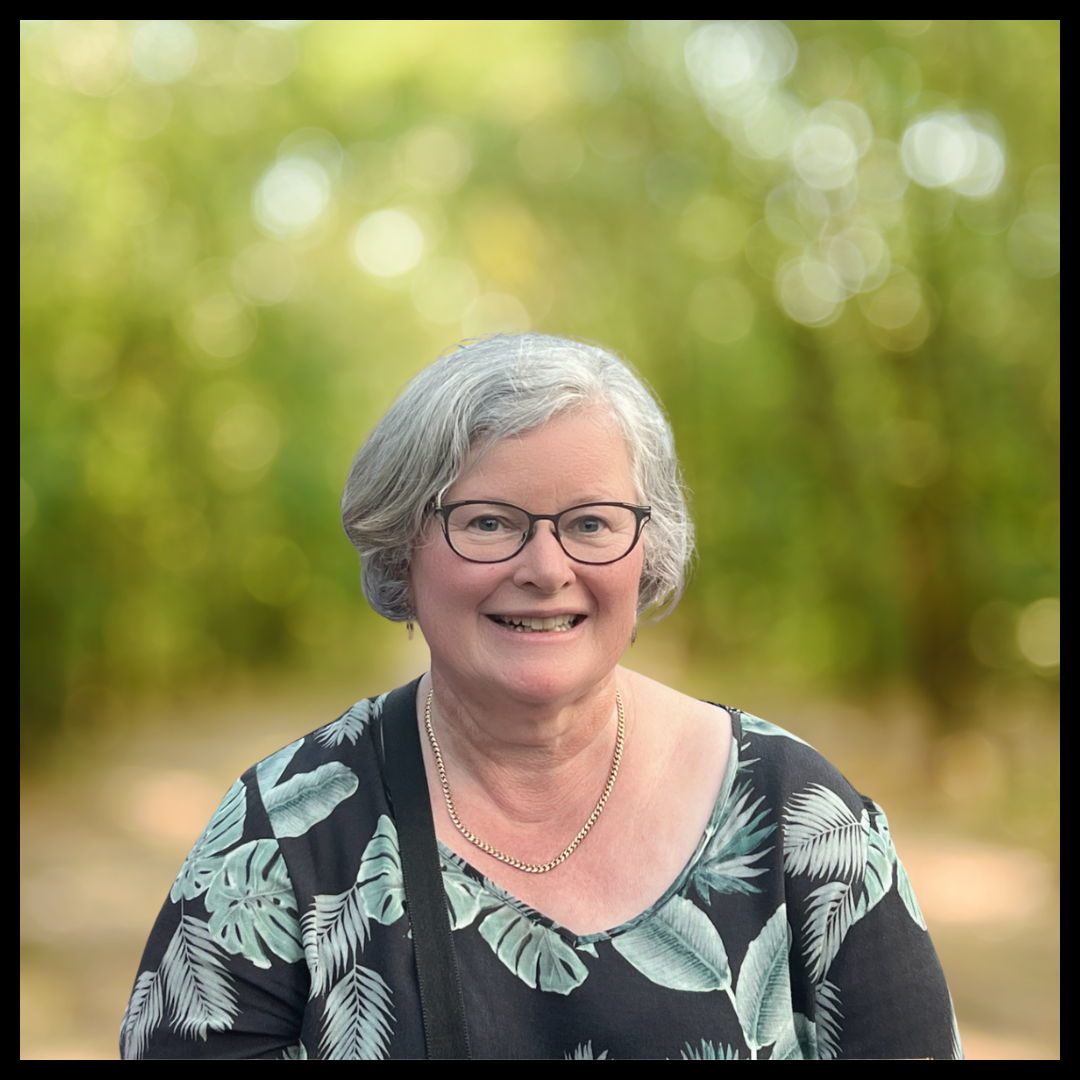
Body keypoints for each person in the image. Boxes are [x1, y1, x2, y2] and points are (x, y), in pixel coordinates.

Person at [120, 334, 963, 1060]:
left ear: (647, 550)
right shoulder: (283, 836)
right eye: (489, 522)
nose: (546, 569)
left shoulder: (803, 820)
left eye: (591, 523)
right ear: (403, 545)